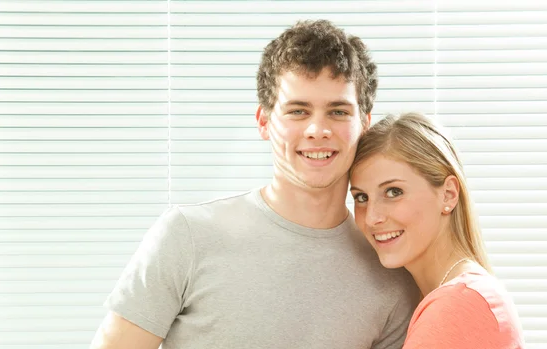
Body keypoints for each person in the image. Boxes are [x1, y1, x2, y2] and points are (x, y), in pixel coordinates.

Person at [90, 20, 419, 349]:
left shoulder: (389, 272)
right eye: (298, 111)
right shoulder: (187, 236)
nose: (318, 130)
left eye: (337, 111)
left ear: (364, 123)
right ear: (264, 122)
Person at [348, 112, 525, 349]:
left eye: (393, 192)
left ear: (448, 194)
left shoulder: (458, 306)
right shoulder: (460, 297)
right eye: (361, 197)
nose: (372, 218)